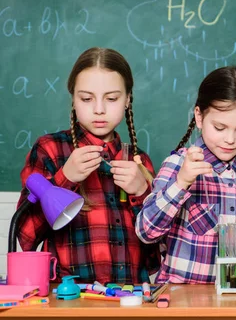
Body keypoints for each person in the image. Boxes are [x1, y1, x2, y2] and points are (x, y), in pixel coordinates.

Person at [16, 47, 159, 284]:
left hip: (129, 300)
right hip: (67, 300)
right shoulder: (49, 150)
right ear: (73, 99)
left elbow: (155, 258)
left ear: (127, 100)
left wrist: (142, 193)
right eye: (86, 98)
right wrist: (66, 177)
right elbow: (26, 237)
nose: (99, 109)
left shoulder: (138, 160)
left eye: (112, 98)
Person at [136, 66, 236, 284]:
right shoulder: (179, 164)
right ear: (199, 116)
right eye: (220, 127)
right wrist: (181, 183)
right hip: (182, 303)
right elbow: (145, 232)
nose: (230, 139)